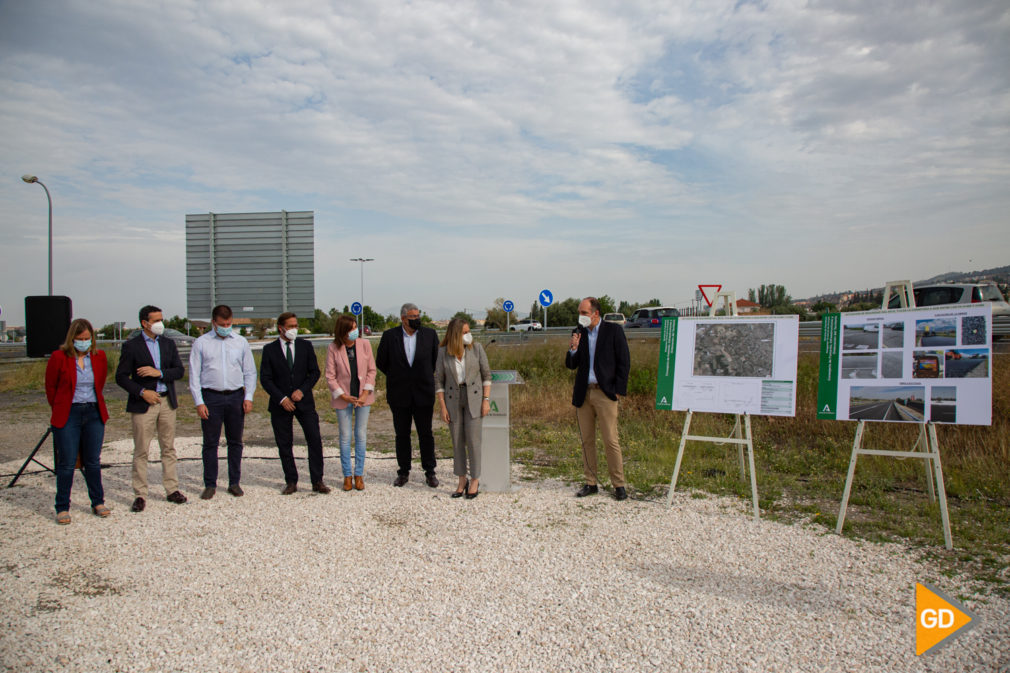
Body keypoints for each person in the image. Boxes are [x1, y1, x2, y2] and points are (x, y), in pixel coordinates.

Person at [115, 305, 188, 512]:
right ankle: (140, 494)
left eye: (161, 320)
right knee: (141, 450)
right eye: (156, 321)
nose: (160, 324)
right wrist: (141, 392)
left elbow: (179, 371)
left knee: (168, 447)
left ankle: (172, 489)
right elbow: (121, 377)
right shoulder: (132, 346)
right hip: (144, 403)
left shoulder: (168, 344)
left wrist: (159, 373)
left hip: (166, 402)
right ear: (144, 324)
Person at [45, 319, 110, 524]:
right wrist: (60, 408)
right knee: (67, 462)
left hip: (93, 412)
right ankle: (62, 507)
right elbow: (50, 387)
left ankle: (97, 502)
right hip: (68, 413)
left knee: (92, 461)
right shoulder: (59, 357)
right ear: (72, 339)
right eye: (80, 339)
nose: (84, 342)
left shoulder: (99, 357)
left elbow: (100, 382)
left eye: (87, 338)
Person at [565, 297, 631, 500]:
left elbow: (624, 361)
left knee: (611, 439)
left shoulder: (613, 331)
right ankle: (590, 482)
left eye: (584, 313)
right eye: (579, 312)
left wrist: (618, 390)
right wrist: (573, 349)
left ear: (595, 313)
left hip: (605, 392)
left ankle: (618, 484)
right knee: (587, 441)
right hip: (584, 393)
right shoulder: (579, 332)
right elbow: (571, 365)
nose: (580, 316)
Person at [189, 304, 257, 500]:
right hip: (211, 396)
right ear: (213, 323)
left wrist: (249, 396)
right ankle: (210, 484)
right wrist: (199, 402)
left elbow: (250, 372)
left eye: (229, 323)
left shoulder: (241, 342)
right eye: (222, 324)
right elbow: (194, 374)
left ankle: (234, 482)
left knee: (235, 441)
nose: (226, 327)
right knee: (210, 443)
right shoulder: (201, 343)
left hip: (236, 396)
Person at [260, 312, 330, 495]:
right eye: (290, 326)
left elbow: (314, 372)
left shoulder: (305, 346)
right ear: (280, 328)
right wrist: (282, 398)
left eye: (295, 325)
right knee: (284, 443)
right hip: (281, 404)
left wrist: (302, 390)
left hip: (304, 402)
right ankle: (291, 481)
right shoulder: (269, 350)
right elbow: (266, 379)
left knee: (314, 439)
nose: (294, 329)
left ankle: (317, 480)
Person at [375, 302, 440, 487]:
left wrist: (423, 375)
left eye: (418, 316)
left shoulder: (429, 335)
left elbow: (436, 360)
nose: (417, 320)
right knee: (401, 435)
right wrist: (398, 375)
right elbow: (381, 362)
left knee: (425, 434)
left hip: (424, 393)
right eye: (413, 317)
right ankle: (403, 471)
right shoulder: (389, 336)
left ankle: (430, 471)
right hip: (399, 394)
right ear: (403, 319)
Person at [435, 318, 491, 499]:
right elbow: (439, 381)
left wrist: (486, 400)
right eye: (465, 332)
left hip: (474, 399)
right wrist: (442, 407)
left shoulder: (477, 349)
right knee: (457, 441)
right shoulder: (443, 352)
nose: (469, 335)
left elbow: (486, 375)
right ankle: (461, 480)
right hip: (453, 400)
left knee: (474, 441)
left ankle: (475, 479)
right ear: (455, 335)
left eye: (469, 331)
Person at [325, 314, 377, 491]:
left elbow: (372, 370)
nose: (355, 331)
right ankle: (347, 475)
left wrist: (364, 394)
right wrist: (342, 395)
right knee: (345, 437)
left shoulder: (365, 345)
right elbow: (330, 376)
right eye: (351, 329)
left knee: (361, 435)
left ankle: (359, 474)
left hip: (363, 398)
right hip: (343, 399)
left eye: (356, 327)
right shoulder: (333, 348)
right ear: (342, 332)